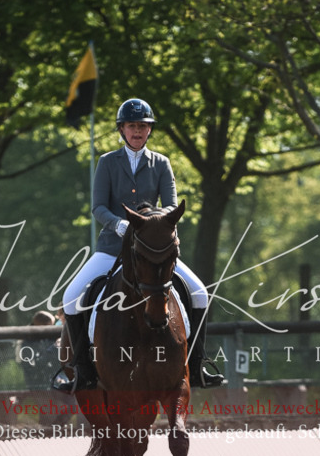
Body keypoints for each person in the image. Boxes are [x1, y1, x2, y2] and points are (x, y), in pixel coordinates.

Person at [56, 97, 225, 392]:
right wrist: (119, 224)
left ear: (149, 130)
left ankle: (197, 365)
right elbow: (98, 208)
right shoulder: (107, 162)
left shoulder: (161, 163)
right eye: (132, 126)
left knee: (199, 294)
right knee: (71, 298)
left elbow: (172, 207)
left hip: (153, 251)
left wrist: (151, 226)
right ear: (122, 130)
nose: (137, 131)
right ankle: (82, 369)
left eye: (143, 126)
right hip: (112, 248)